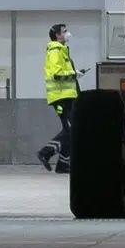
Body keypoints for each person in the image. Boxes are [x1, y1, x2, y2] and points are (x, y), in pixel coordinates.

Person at [43, 23, 80, 171]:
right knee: (71, 130)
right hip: (60, 98)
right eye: (65, 31)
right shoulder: (55, 51)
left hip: (67, 96)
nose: (67, 34)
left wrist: (76, 74)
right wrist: (74, 74)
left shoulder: (62, 51)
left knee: (71, 130)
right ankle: (46, 153)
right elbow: (57, 75)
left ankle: (63, 164)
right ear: (58, 35)